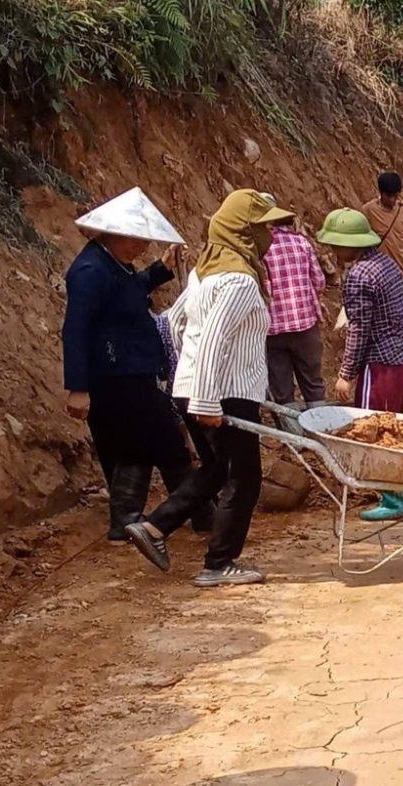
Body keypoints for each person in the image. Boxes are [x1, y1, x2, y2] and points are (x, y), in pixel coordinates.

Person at [126, 189, 295, 588]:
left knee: (218, 470)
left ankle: (153, 527)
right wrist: (207, 396)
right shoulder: (238, 280)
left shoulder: (204, 272)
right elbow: (216, 338)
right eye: (264, 227)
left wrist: (187, 376)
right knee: (245, 478)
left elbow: (174, 323)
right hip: (222, 394)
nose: (270, 234)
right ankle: (219, 563)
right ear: (244, 230)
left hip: (196, 388)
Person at [61, 187, 195, 544]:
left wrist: (160, 270)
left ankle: (144, 518)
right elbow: (75, 329)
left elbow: (131, 290)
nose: (141, 247)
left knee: (141, 443)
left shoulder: (113, 264)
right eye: (135, 240)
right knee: (157, 440)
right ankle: (184, 511)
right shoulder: (89, 271)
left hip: (131, 370)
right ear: (115, 235)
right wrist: (77, 387)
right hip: (113, 375)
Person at [317, 208, 403, 521]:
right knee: (395, 427)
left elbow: (359, 330)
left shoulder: (358, 276)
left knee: (374, 431)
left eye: (336, 245)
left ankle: (392, 497)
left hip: (381, 365)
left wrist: (347, 375)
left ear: (351, 244)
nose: (333, 252)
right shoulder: (385, 263)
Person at [263, 204, 327, 410]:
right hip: (306, 326)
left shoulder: (260, 249)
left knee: (282, 389)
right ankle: (319, 433)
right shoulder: (302, 243)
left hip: (273, 330)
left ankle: (293, 438)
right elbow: (318, 281)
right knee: (313, 383)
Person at [361, 172, 403, 300]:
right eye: (388, 196)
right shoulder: (368, 211)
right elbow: (363, 242)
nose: (392, 200)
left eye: (395, 196)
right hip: (381, 273)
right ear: (381, 193)